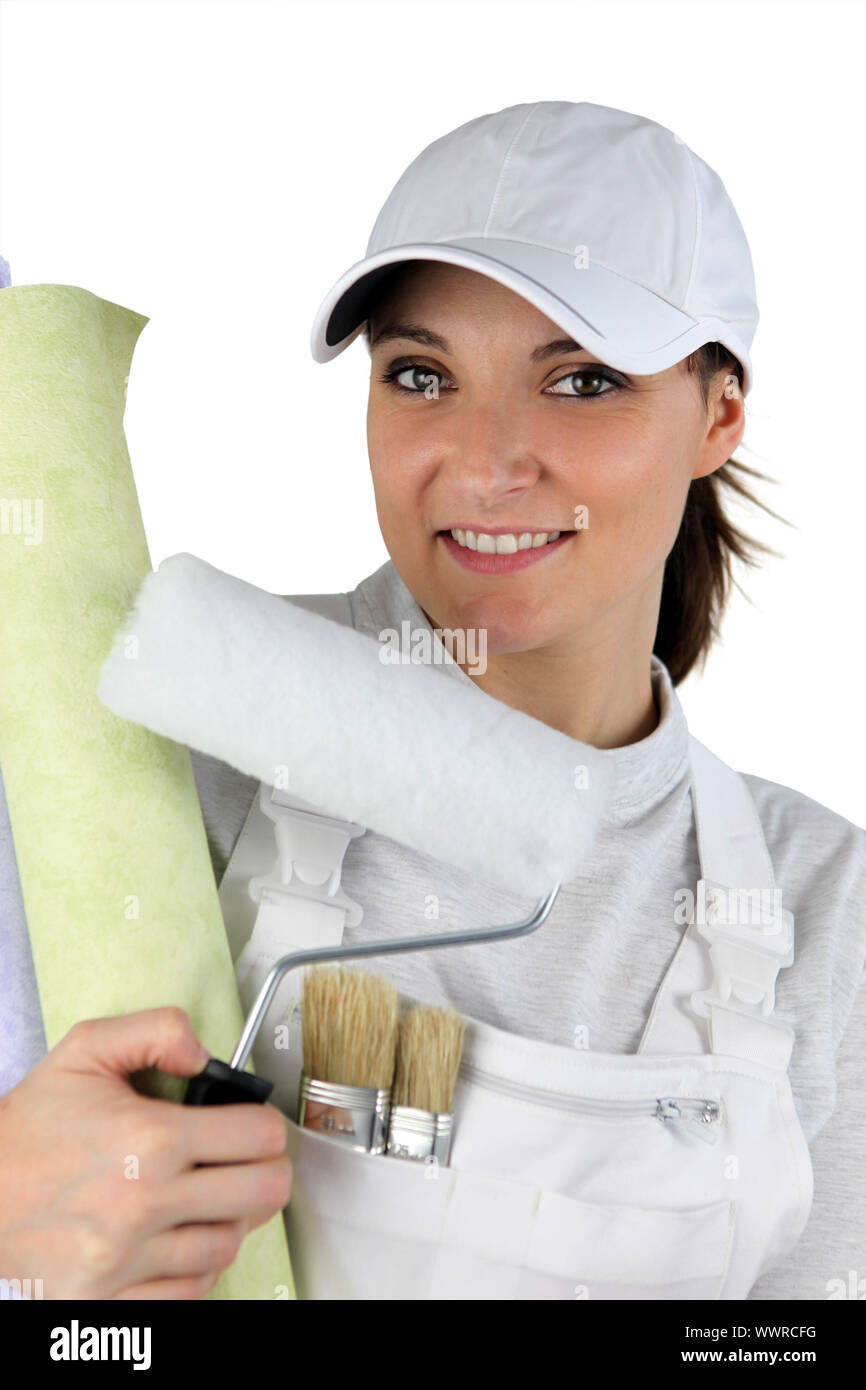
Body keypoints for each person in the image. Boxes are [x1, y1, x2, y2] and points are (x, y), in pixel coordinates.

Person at [1, 100, 864, 1301]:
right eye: (420, 374)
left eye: (581, 380)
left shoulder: (820, 907)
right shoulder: (153, 748)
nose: (483, 462)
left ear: (718, 412)